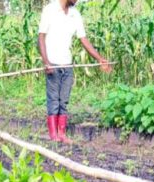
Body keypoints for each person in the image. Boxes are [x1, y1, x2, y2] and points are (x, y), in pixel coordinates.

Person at [38, 0, 112, 144]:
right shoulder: (50, 9)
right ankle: (53, 135)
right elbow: (41, 37)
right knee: (53, 100)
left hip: (67, 64)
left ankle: (62, 134)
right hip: (52, 63)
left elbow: (83, 39)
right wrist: (46, 62)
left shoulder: (75, 14)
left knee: (64, 101)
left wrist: (100, 59)